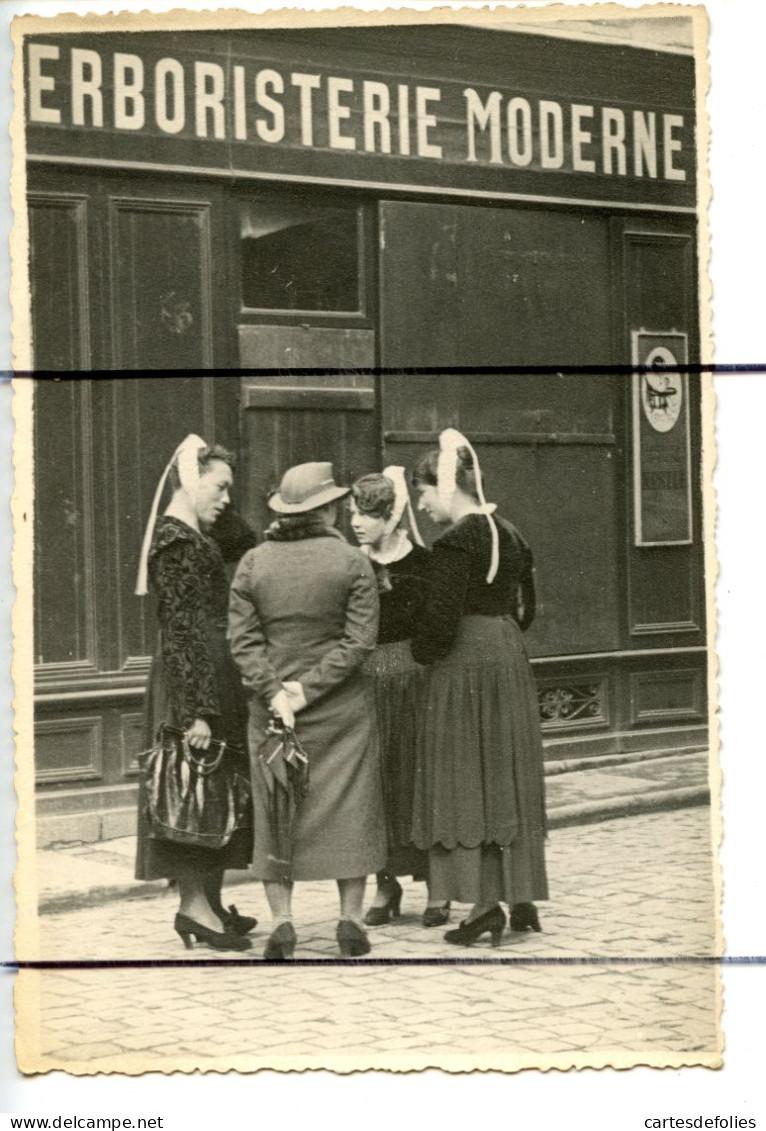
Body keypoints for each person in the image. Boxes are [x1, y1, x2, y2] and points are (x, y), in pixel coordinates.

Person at [228, 462, 386, 960]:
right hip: (341, 709)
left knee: (277, 809)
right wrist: (306, 689)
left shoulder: (253, 562)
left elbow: (242, 641)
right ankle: (349, 921)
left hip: (272, 711)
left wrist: (277, 692)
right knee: (351, 808)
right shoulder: (352, 562)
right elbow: (360, 642)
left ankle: (283, 923)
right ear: (331, 508)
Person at [409, 429, 548, 947]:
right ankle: (519, 898)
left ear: (445, 487)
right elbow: (527, 609)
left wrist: (423, 653)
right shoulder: (508, 532)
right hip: (506, 657)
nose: (421, 505)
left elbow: (439, 622)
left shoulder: (453, 543)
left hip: (464, 664)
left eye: (423, 493)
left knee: (469, 778)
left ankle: (484, 906)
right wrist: (499, 637)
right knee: (503, 773)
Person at [134, 435, 258, 952]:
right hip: (193, 681)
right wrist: (198, 713)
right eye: (220, 486)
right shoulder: (178, 541)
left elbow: (243, 538)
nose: (227, 499)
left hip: (208, 672)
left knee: (211, 792)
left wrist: (210, 501)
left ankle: (207, 901)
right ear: (190, 480)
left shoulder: (192, 533)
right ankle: (193, 907)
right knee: (191, 787)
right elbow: (182, 630)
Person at [349, 469, 449, 928]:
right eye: (354, 512)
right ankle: (385, 885)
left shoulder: (424, 565)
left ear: (392, 518)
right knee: (376, 788)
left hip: (414, 687)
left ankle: (436, 888)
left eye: (367, 514)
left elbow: (437, 631)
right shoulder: (352, 564)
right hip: (367, 688)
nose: (357, 522)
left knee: (419, 782)